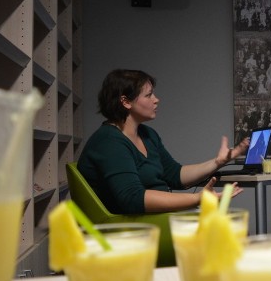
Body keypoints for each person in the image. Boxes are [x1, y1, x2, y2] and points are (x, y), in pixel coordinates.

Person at [78, 69, 247, 214]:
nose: (156, 99)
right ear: (126, 102)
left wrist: (219, 162)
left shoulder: (147, 134)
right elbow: (132, 198)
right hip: (133, 228)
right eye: (149, 95)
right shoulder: (109, 142)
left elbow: (174, 175)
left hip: (158, 219)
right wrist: (197, 198)